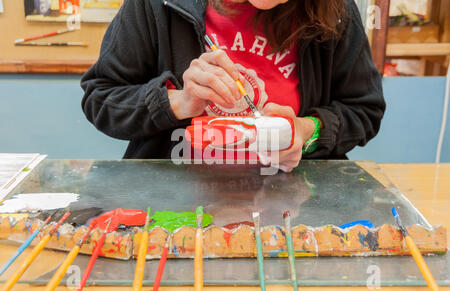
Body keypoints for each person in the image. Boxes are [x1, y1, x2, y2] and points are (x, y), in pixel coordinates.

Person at [81, 0, 386, 172]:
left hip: (292, 207)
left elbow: (364, 109)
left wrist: (308, 132)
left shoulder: (332, 9)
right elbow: (101, 99)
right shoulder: (157, 5)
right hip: (176, 207)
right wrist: (178, 101)